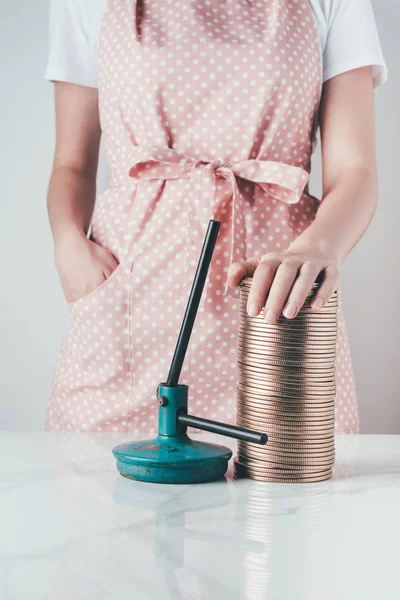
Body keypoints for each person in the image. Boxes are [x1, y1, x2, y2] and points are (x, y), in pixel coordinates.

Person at [44, 0, 387, 434]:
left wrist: (319, 248)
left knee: (292, 489)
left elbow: (355, 171)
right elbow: (70, 163)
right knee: (95, 495)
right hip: (130, 306)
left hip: (275, 304)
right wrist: (67, 244)